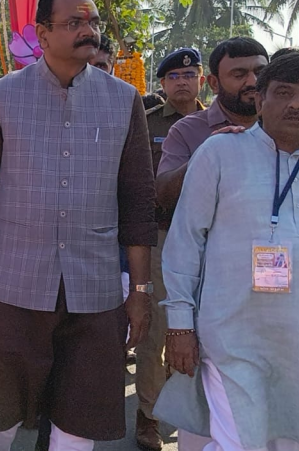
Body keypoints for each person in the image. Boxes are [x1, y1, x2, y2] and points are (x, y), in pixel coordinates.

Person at [0, 0, 157, 450]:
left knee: (80, 419)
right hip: (11, 285)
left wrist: (140, 291)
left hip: (95, 289)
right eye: (74, 22)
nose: (88, 31)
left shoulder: (125, 101)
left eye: (92, 22)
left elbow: (138, 204)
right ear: (42, 33)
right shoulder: (3, 96)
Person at [155, 53, 299, 451]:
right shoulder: (219, 153)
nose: (296, 104)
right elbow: (185, 242)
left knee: (295, 442)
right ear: (260, 100)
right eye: (283, 93)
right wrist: (180, 325)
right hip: (231, 338)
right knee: (239, 441)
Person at [134, 47, 208, 450]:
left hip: (212, 239)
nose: (183, 82)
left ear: (203, 81)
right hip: (162, 235)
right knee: (158, 329)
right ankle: (148, 416)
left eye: (190, 75)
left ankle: (191, 411)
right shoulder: (146, 123)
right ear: (162, 83)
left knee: (203, 328)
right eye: (174, 76)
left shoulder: (222, 123)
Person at [155, 37, 269, 213]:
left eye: (260, 73)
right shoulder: (186, 130)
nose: (253, 82)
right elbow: (165, 196)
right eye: (239, 75)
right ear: (214, 83)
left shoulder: (282, 128)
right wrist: (207, 153)